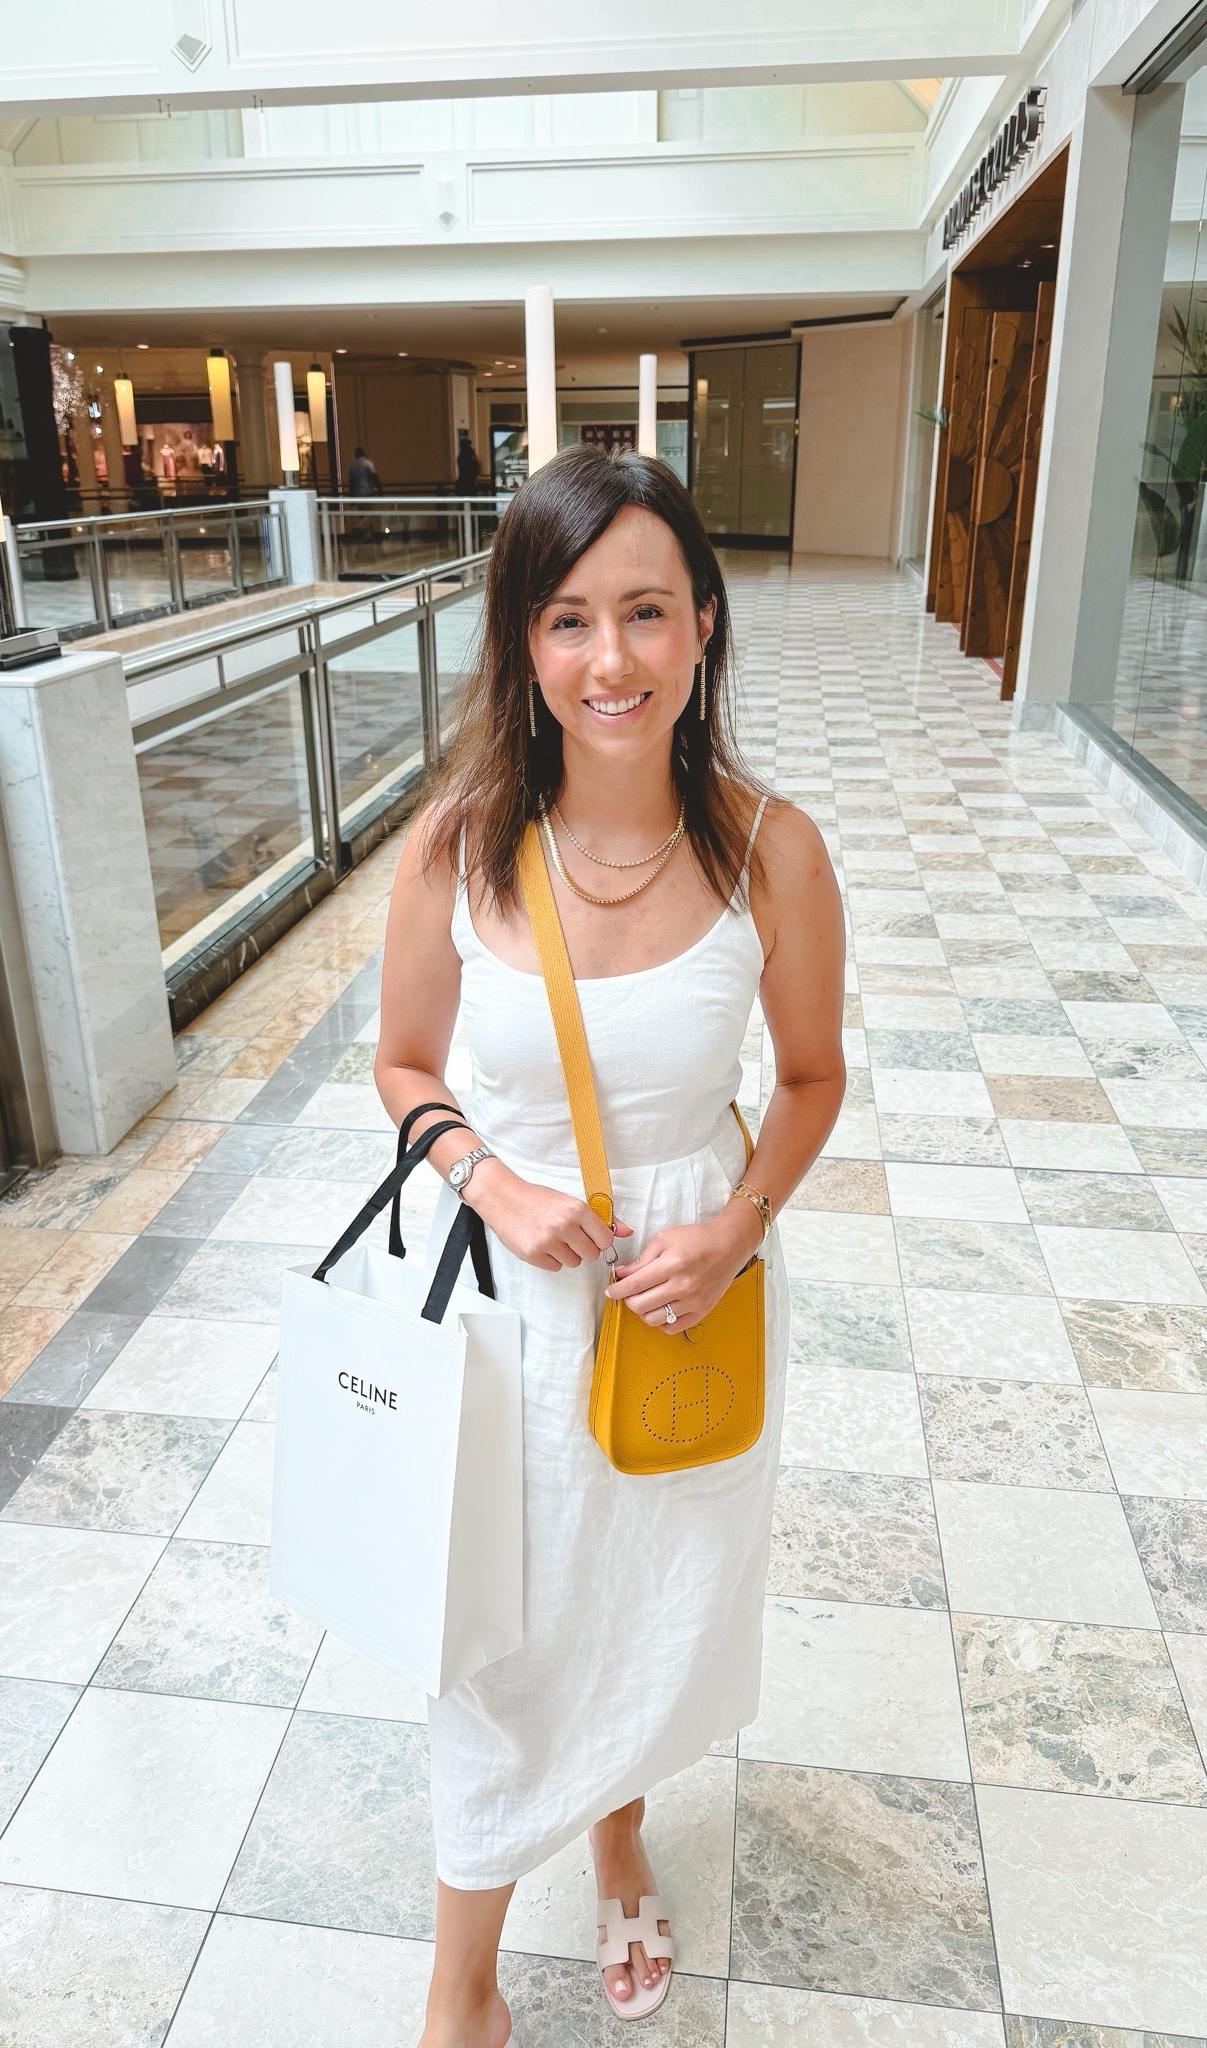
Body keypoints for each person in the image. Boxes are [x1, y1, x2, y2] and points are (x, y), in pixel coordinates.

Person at [376, 443, 846, 2048]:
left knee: (648, 1594)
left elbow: (806, 1079)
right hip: (508, 1311)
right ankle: (463, 1982)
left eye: (646, 613)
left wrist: (738, 1225)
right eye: (568, 620)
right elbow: (403, 1065)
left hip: (686, 1298)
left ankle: (622, 1825)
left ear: (704, 624)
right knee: (500, 1635)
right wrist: (490, 1184)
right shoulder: (454, 847)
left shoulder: (772, 848)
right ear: (523, 642)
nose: (611, 661)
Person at [456, 428, 482, 492]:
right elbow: (476, 467)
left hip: (463, 483)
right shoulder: (466, 456)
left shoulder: (461, 456)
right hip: (468, 484)